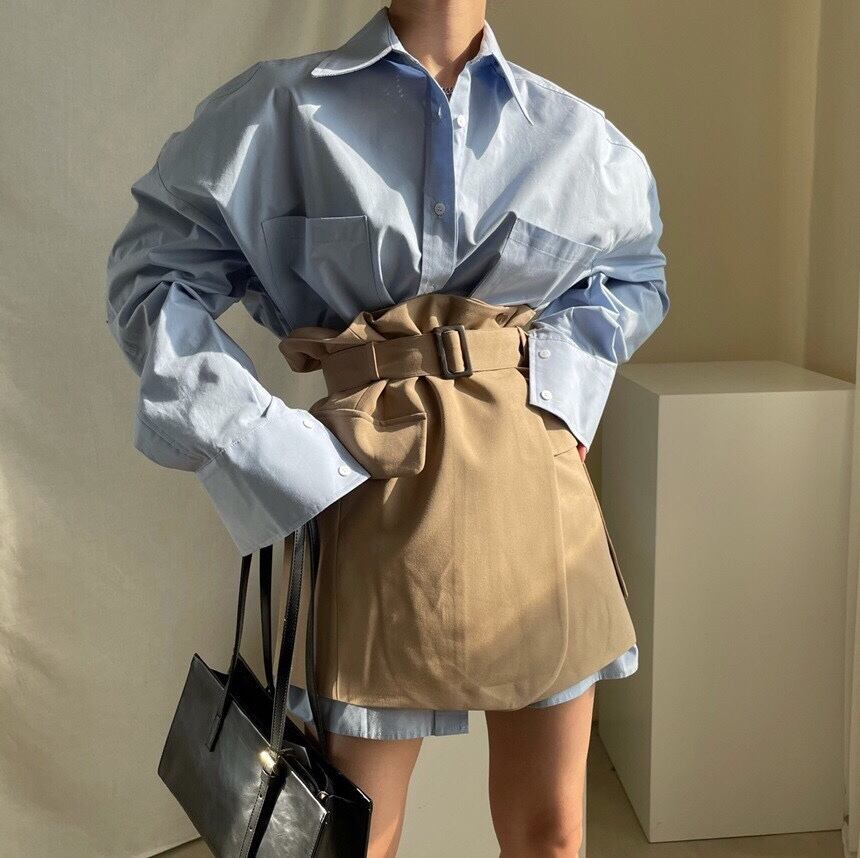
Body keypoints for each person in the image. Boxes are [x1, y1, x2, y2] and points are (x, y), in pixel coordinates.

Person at [105, 2, 669, 855]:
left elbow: (633, 276)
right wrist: (265, 447)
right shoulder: (279, 113)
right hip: (374, 497)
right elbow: (152, 280)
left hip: (537, 497)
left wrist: (563, 398)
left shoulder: (575, 136)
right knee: (352, 836)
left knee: (552, 833)